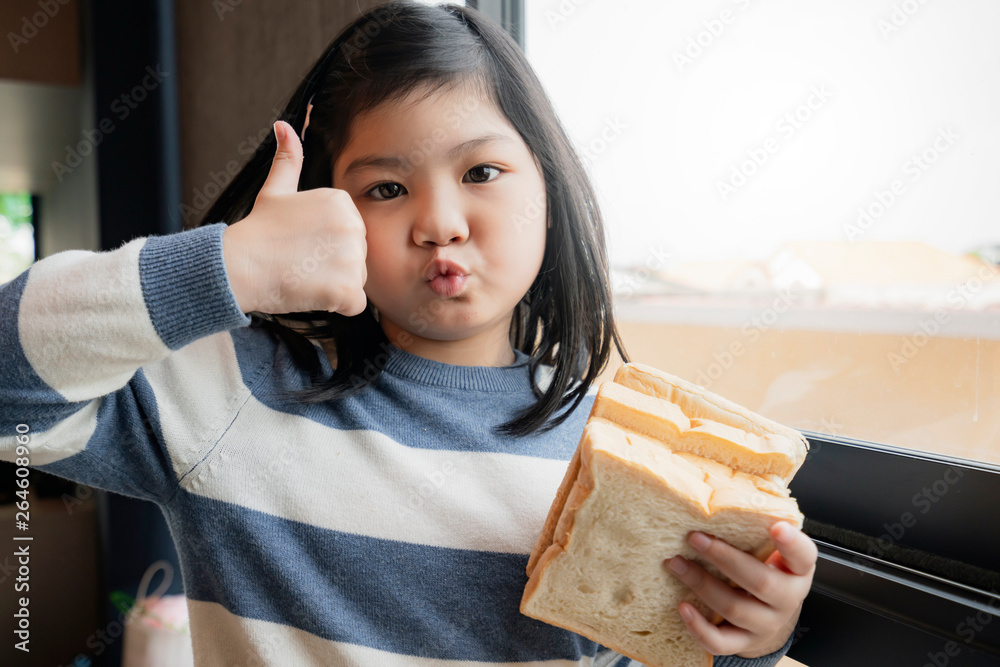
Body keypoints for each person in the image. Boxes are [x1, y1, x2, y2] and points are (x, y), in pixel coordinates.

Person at [0, 2, 816, 665]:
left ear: (551, 185)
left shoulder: (615, 453)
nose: (439, 222)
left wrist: (746, 639)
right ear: (331, 208)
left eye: (481, 172)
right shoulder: (231, 389)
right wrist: (228, 267)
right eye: (386, 187)